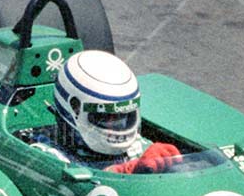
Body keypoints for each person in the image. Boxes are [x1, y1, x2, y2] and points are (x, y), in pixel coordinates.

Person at [30, 49, 181, 174]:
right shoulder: (44, 154)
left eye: (123, 116)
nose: (116, 124)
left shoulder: (136, 147)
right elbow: (79, 186)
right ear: (75, 108)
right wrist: (127, 171)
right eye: (105, 116)